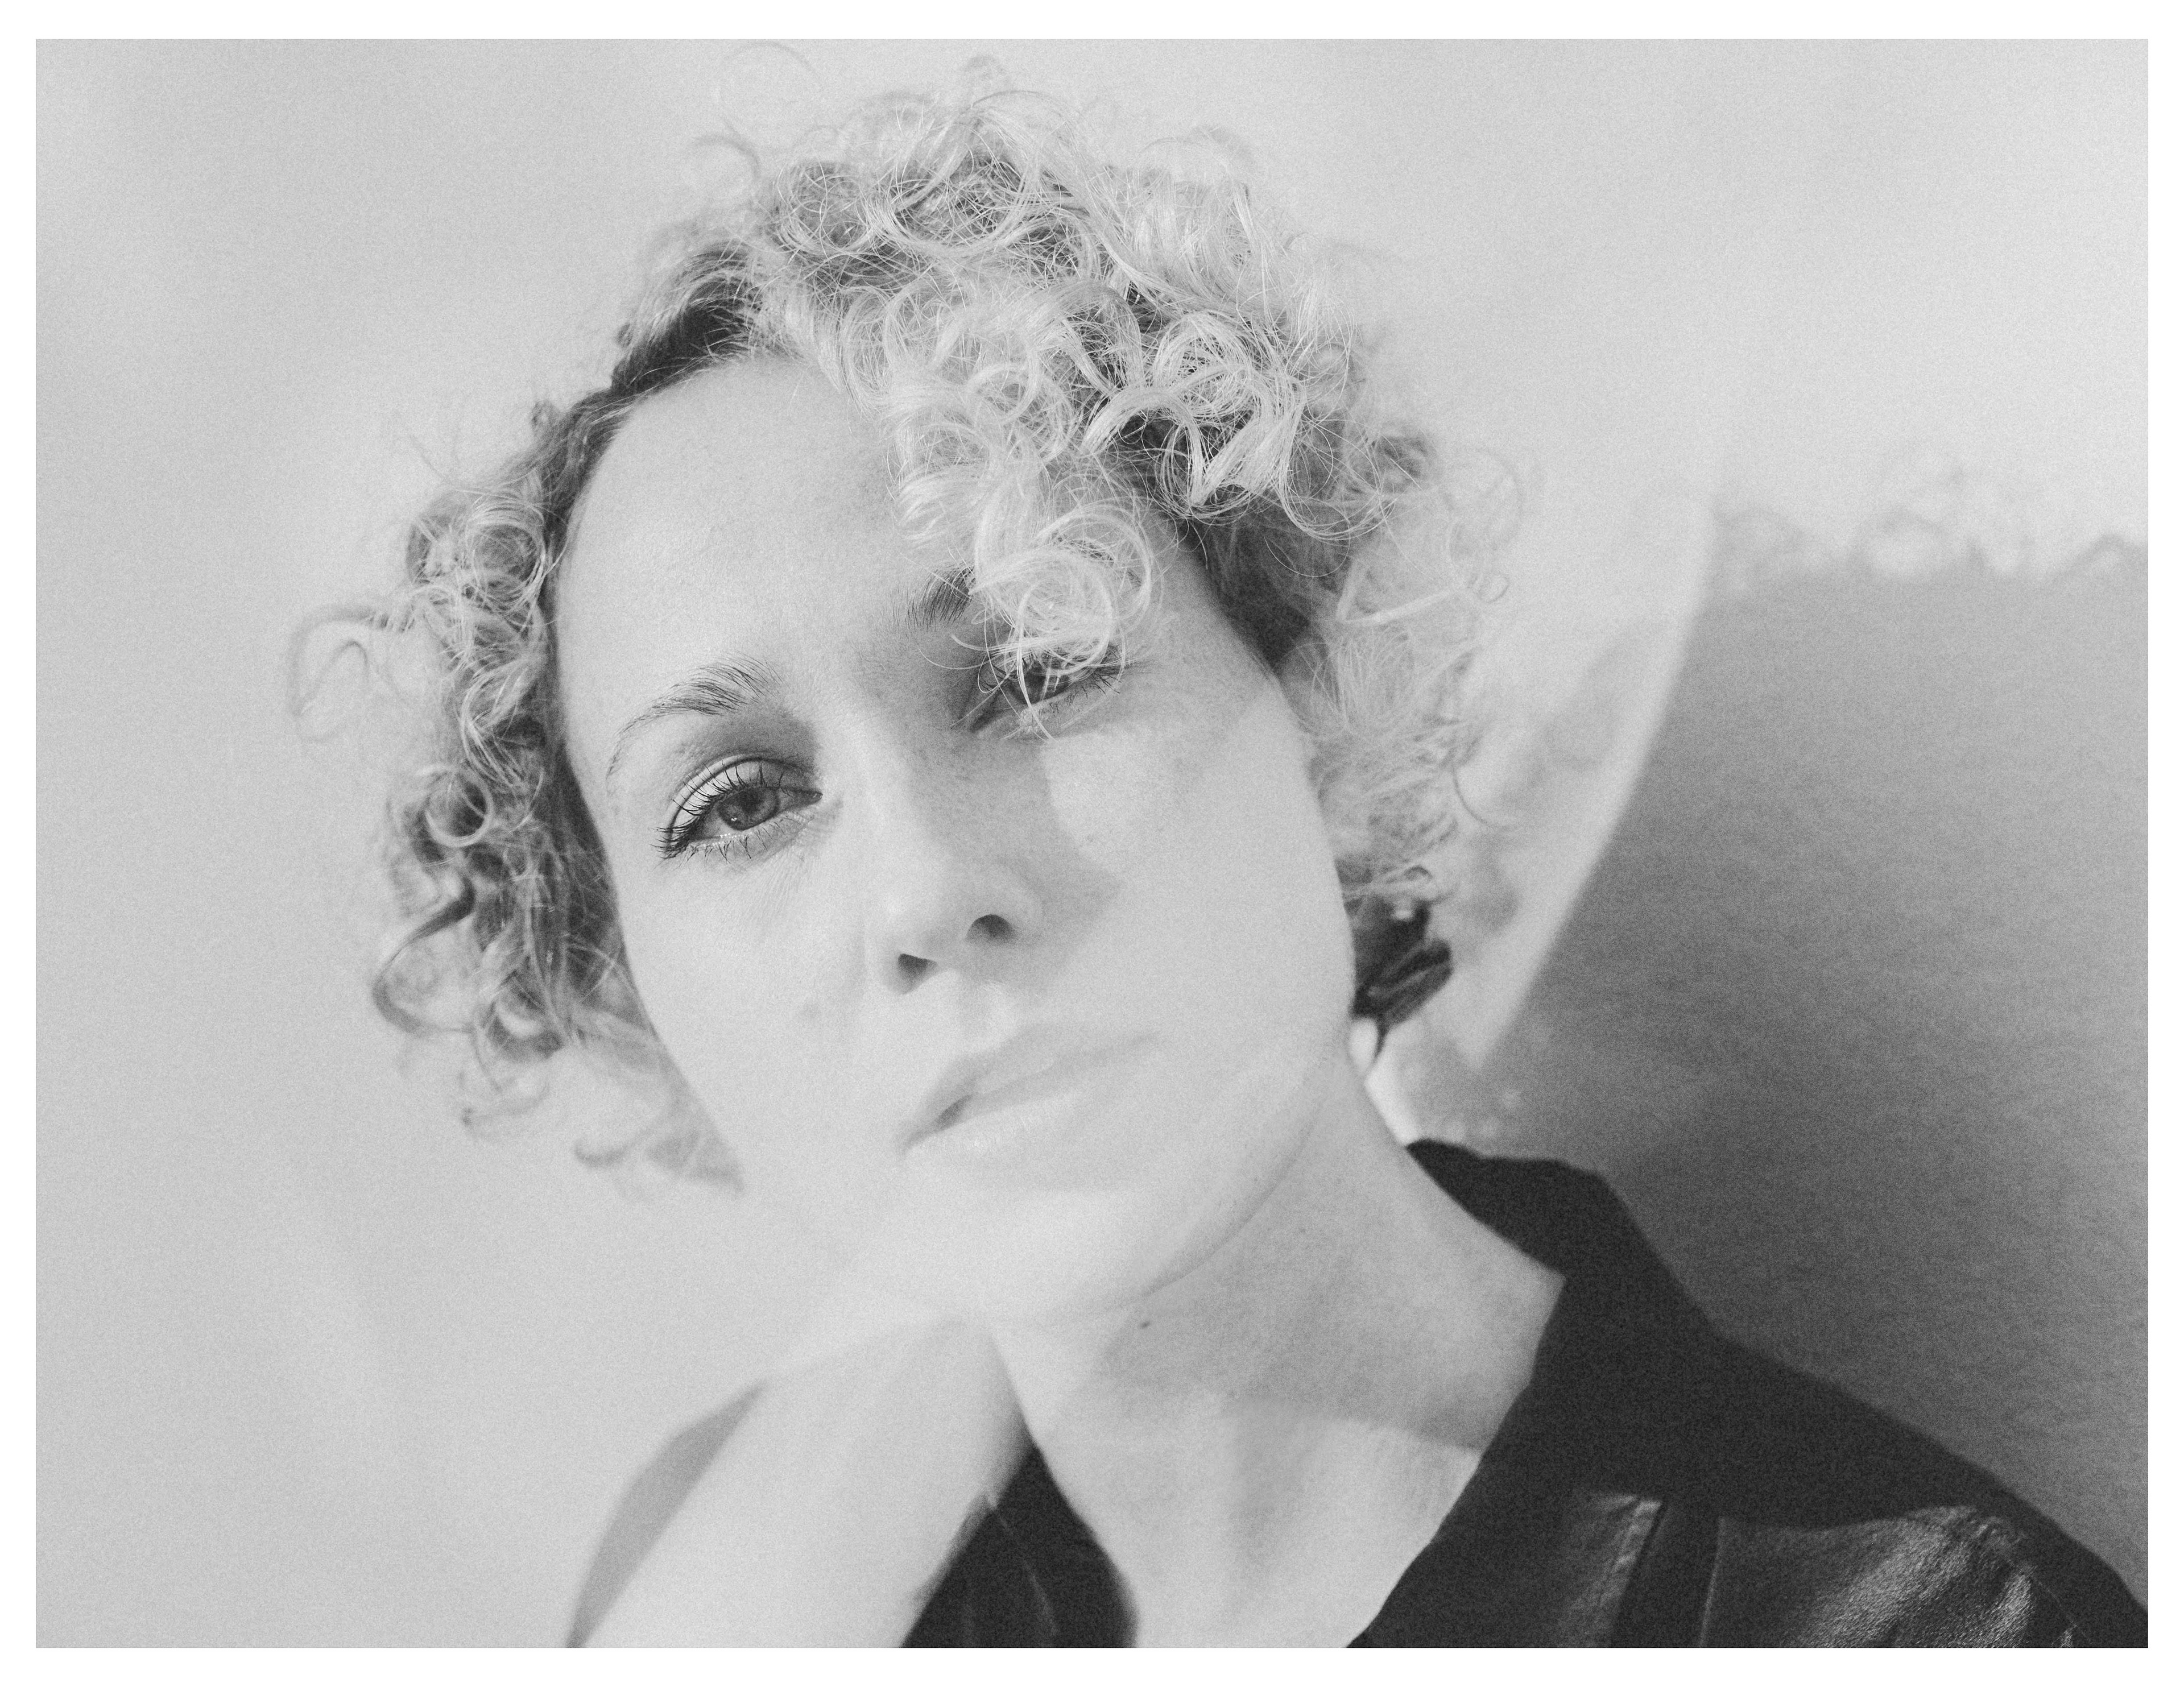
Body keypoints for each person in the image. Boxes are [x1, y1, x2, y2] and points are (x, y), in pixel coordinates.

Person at [336, 86, 2145, 1646]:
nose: (922, 890)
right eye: (735, 804)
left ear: (1313, 702)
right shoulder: (730, 1585)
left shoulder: (1924, 1632)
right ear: (621, 986)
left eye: (1036, 665)